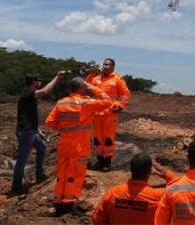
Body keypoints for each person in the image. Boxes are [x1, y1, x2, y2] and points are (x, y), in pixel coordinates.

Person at [45, 77, 114, 216]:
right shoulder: (86, 103)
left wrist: (64, 129)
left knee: (62, 175)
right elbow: (108, 101)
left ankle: (58, 203)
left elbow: (49, 122)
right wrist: (93, 87)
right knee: (74, 176)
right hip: (79, 147)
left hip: (64, 145)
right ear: (82, 88)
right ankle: (68, 205)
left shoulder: (61, 102)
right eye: (85, 86)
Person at [11, 71, 66, 195]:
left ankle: (39, 174)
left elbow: (29, 116)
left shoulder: (30, 95)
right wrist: (57, 77)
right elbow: (45, 91)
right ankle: (16, 186)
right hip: (25, 133)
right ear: (33, 82)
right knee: (22, 159)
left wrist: (38, 130)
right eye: (39, 81)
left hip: (31, 131)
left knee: (42, 147)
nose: (40, 83)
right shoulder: (28, 92)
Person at [92, 152, 175, 224]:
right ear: (149, 172)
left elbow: (97, 218)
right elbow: (182, 189)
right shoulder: (157, 196)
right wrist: (168, 175)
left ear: (131, 169)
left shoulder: (113, 193)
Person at [89, 58, 131, 172]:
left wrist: (120, 105)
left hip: (110, 113)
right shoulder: (96, 79)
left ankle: (107, 162)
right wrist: (91, 73)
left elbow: (125, 94)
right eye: (104, 64)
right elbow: (86, 87)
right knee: (97, 139)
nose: (105, 66)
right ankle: (99, 161)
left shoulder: (118, 79)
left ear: (113, 67)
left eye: (107, 65)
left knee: (108, 139)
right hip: (96, 113)